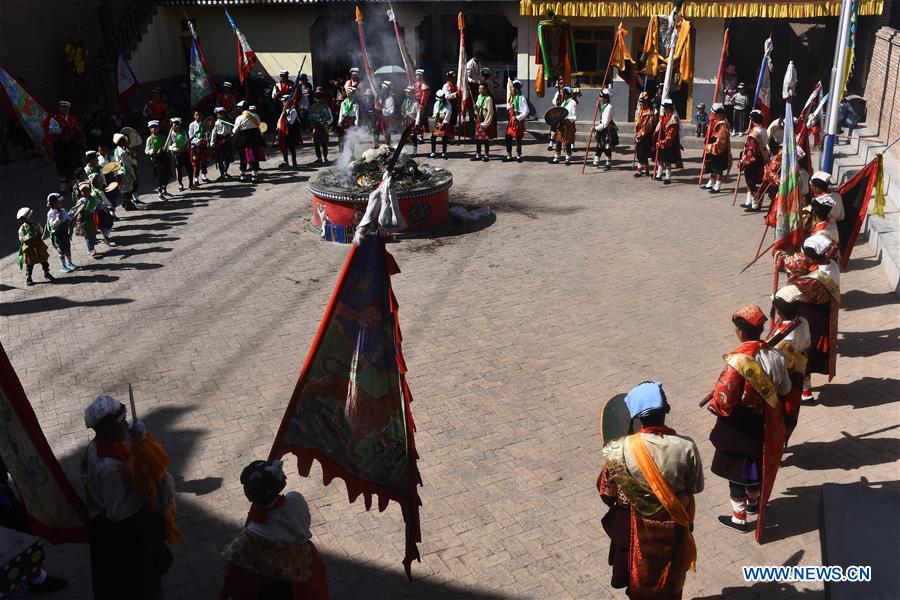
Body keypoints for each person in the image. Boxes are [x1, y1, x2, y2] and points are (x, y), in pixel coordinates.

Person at [597, 381, 703, 599]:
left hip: (633, 531)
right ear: (666, 410)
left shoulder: (617, 450)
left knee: (637, 582)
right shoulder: (687, 446)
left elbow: (606, 492)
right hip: (674, 529)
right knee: (669, 581)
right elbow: (696, 487)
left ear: (635, 418)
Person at [706, 305, 791, 535]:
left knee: (736, 472)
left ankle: (739, 518)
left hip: (738, 425)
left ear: (741, 332)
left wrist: (716, 406)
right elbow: (785, 388)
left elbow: (723, 398)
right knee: (755, 464)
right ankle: (754, 504)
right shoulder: (775, 355)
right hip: (765, 422)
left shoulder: (738, 361)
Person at [82, 395, 175, 600]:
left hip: (117, 529)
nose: (126, 424)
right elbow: (118, 512)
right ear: (107, 429)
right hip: (126, 539)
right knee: (141, 586)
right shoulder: (109, 468)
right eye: (122, 422)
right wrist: (146, 490)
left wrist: (139, 440)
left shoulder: (97, 446)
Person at [220, 460, 330, 599]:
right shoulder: (296, 500)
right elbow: (306, 522)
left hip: (274, 588)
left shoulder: (250, 536)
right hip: (305, 564)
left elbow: (237, 578)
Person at [776, 235, 841, 402]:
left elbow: (792, 290)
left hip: (809, 319)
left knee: (802, 354)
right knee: (808, 352)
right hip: (823, 316)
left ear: (811, 257)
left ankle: (804, 391)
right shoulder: (832, 265)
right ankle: (805, 389)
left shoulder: (813, 282)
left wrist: (782, 260)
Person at [768, 285, 811, 441]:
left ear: (779, 311)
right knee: (791, 411)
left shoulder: (782, 339)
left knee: (780, 413)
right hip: (798, 372)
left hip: (783, 379)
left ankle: (776, 443)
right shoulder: (803, 322)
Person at [45, 100, 84, 195]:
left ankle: (73, 185)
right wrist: (59, 128)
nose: (64, 109)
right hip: (60, 145)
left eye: (66, 108)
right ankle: (62, 187)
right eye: (63, 107)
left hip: (71, 144)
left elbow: (77, 130)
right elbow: (50, 131)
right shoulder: (54, 118)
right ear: (60, 108)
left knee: (73, 164)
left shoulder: (72, 118)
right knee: (61, 165)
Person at [737, 109, 769, 211]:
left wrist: (743, 161)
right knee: (753, 180)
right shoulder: (763, 130)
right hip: (761, 157)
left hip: (752, 159)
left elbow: (750, 149)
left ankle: (755, 204)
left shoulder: (754, 134)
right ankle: (749, 201)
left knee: (750, 181)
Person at [16, 207, 54, 286]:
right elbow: (21, 239)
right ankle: (28, 277)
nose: (33, 217)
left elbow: (41, 231)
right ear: (25, 219)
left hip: (38, 245)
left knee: (44, 261)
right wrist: (27, 237)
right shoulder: (22, 229)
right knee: (30, 264)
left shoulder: (36, 224)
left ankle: (46, 272)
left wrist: (40, 231)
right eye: (30, 217)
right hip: (30, 248)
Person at [702, 103, 732, 193]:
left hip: (720, 150)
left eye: (714, 114)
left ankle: (717, 186)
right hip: (714, 148)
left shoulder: (723, 126)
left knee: (719, 169)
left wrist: (709, 147)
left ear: (719, 114)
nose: (712, 115)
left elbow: (721, 142)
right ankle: (711, 182)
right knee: (713, 167)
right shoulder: (715, 122)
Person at [233, 104, 266, 183]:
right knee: (255, 158)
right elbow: (259, 126)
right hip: (254, 139)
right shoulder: (256, 116)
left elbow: (235, 131)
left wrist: (234, 130)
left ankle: (242, 177)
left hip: (243, 141)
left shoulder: (239, 118)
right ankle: (254, 178)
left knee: (243, 158)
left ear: (241, 109)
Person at [46, 193, 77, 273]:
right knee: (61, 251)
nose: (61, 203)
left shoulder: (62, 211)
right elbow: (52, 225)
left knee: (68, 248)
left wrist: (72, 218)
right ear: (53, 203)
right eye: (59, 202)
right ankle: (63, 266)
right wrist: (58, 219)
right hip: (58, 235)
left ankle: (69, 263)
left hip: (65, 233)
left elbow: (68, 218)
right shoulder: (50, 213)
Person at [655, 99, 682, 184]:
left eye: (666, 108)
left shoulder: (674, 118)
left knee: (667, 161)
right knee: (660, 159)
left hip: (669, 143)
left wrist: (664, 142)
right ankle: (659, 175)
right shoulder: (664, 117)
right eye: (664, 108)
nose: (665, 110)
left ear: (669, 108)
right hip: (662, 140)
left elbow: (672, 133)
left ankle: (668, 177)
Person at [73, 181, 101, 258]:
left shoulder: (93, 199)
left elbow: (99, 204)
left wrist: (105, 208)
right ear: (81, 192)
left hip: (92, 219)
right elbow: (75, 209)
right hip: (84, 220)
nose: (86, 192)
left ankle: (91, 247)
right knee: (88, 235)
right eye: (83, 191)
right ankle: (91, 249)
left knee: (93, 234)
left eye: (87, 190)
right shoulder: (81, 200)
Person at [145, 120, 171, 200]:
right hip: (156, 159)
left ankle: (164, 189)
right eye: (152, 127)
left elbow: (167, 146)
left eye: (156, 127)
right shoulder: (149, 139)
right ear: (150, 129)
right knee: (160, 176)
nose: (154, 129)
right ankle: (160, 193)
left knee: (167, 175)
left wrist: (167, 149)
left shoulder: (162, 137)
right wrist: (151, 151)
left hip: (164, 158)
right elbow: (146, 150)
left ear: (158, 128)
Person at [633, 92, 657, 178]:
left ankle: (639, 170)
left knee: (641, 153)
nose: (640, 106)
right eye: (640, 104)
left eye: (642, 104)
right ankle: (646, 169)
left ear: (646, 104)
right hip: (639, 135)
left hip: (645, 136)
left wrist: (639, 135)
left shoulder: (649, 114)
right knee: (641, 153)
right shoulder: (641, 112)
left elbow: (646, 127)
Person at [113, 132, 139, 211]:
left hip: (118, 172)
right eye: (124, 141)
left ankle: (126, 202)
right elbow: (128, 165)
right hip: (125, 173)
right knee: (129, 189)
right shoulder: (123, 152)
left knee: (124, 189)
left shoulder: (116, 150)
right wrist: (133, 175)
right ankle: (127, 204)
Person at [592, 88, 616, 170]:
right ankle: (595, 162)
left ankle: (608, 163)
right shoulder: (604, 106)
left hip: (607, 129)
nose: (600, 99)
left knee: (606, 147)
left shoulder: (609, 107)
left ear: (606, 98)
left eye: (601, 97)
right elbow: (602, 115)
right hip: (602, 128)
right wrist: (598, 107)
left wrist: (595, 128)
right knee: (599, 145)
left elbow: (605, 123)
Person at [552, 87, 577, 165]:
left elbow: (574, 116)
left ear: (567, 94)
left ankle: (568, 159)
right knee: (558, 140)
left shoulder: (572, 102)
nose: (562, 95)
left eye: (564, 93)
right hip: (561, 123)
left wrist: (567, 120)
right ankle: (556, 157)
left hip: (568, 123)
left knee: (567, 141)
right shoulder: (563, 102)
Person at [167, 117, 193, 191]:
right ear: (172, 125)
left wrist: (185, 147)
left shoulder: (183, 132)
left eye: (178, 125)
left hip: (185, 152)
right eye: (175, 125)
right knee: (178, 170)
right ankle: (180, 184)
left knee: (189, 168)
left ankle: (191, 184)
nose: (177, 126)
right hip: (176, 155)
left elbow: (187, 141)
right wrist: (174, 149)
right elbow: (168, 145)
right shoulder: (170, 134)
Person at [472, 82, 496, 162]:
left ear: (486, 89)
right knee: (478, 138)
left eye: (482, 89)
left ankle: (486, 154)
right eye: (479, 88)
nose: (480, 90)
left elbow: (490, 112)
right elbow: (477, 108)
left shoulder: (488, 99)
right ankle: (478, 154)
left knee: (486, 138)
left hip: (485, 120)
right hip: (479, 120)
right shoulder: (479, 97)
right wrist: (476, 108)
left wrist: (486, 123)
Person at [505, 80, 528, 163]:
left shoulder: (522, 98)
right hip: (511, 121)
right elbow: (508, 107)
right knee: (508, 137)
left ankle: (518, 155)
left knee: (518, 138)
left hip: (518, 121)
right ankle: (509, 155)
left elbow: (526, 111)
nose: (512, 89)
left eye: (513, 88)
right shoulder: (512, 97)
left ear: (517, 89)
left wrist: (518, 117)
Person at [277, 95, 302, 168]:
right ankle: (286, 162)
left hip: (290, 131)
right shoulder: (285, 110)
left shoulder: (293, 110)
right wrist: (278, 127)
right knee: (284, 146)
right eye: (283, 101)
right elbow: (280, 120)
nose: (283, 103)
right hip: (283, 130)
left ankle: (294, 162)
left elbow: (291, 122)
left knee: (291, 147)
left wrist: (285, 116)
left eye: (284, 101)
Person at [211, 107, 234, 180]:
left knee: (228, 158)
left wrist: (231, 136)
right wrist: (212, 143)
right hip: (219, 142)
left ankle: (225, 171)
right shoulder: (216, 123)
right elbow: (214, 133)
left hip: (227, 141)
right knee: (220, 159)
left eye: (223, 113)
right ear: (217, 115)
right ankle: (222, 174)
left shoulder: (228, 122)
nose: (221, 115)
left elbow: (230, 131)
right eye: (219, 114)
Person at [309, 91, 332, 164]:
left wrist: (326, 123)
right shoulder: (313, 107)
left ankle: (325, 157)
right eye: (317, 98)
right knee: (316, 142)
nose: (318, 99)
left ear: (322, 98)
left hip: (324, 126)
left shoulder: (326, 107)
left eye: (319, 98)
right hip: (316, 126)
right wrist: (312, 121)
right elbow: (310, 116)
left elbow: (330, 117)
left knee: (324, 142)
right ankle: (319, 158)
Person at [189, 111, 211, 184]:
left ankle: (204, 176)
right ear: (194, 116)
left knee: (204, 161)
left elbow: (208, 133)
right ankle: (196, 179)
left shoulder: (204, 124)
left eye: (199, 115)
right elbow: (191, 136)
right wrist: (198, 140)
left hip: (204, 145)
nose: (198, 116)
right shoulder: (192, 125)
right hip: (196, 146)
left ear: (201, 116)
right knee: (196, 163)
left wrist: (207, 136)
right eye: (196, 115)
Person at [430, 89, 453, 158]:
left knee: (444, 138)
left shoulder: (448, 104)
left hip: (444, 122)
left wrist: (444, 123)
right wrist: (436, 118)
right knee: (433, 137)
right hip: (437, 122)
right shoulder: (436, 103)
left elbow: (448, 114)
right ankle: (433, 152)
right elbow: (434, 112)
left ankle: (444, 153)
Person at [337, 88, 360, 152]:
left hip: (351, 121)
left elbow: (357, 115)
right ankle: (341, 152)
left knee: (351, 137)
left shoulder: (355, 104)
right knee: (341, 137)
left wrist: (356, 125)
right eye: (348, 93)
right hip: (344, 121)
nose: (349, 95)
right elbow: (341, 113)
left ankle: (351, 153)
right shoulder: (343, 103)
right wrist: (339, 122)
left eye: (350, 93)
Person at [401, 86, 420, 157]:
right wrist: (403, 114)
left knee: (413, 137)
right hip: (406, 121)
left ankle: (415, 152)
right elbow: (402, 109)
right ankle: (404, 151)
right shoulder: (405, 101)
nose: (407, 94)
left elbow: (418, 114)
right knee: (405, 136)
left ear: (412, 94)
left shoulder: (415, 103)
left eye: (408, 93)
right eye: (406, 93)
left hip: (412, 121)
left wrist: (417, 123)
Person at [547, 76, 565, 151]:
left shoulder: (566, 92)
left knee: (564, 129)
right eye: (560, 83)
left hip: (563, 113)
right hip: (557, 113)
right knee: (553, 128)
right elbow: (553, 102)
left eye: (562, 83)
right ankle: (551, 144)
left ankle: (566, 145)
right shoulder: (557, 93)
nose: (561, 84)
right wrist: (557, 99)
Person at [413, 69, 430, 143]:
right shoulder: (414, 84)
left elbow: (424, 96)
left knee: (421, 121)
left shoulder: (424, 85)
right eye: (417, 75)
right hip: (415, 103)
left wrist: (422, 105)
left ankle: (421, 136)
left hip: (421, 104)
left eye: (419, 75)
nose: (418, 77)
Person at [380, 81, 396, 146]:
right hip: (381, 117)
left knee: (387, 132)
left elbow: (391, 111)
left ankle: (388, 145)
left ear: (387, 89)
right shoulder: (382, 97)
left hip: (387, 118)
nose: (382, 90)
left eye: (383, 89)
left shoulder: (390, 98)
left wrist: (382, 110)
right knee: (383, 132)